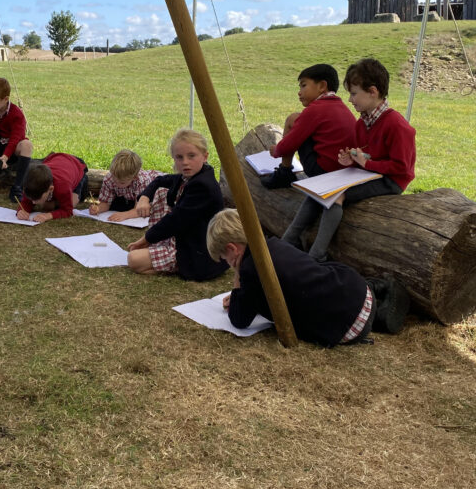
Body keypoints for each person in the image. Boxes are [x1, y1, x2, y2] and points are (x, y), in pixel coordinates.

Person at [207, 209, 410, 344]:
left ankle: (380, 316)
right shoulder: (273, 244)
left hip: (346, 330)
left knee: (326, 305)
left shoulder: (250, 271)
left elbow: (239, 319)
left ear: (232, 249)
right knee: (321, 272)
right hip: (356, 287)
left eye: (224, 257)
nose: (227, 263)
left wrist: (237, 282)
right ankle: (378, 291)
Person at [282, 57, 416, 261]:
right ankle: (288, 240)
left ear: (373, 92)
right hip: (368, 173)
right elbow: (364, 152)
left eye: (354, 94)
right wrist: (351, 159)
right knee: (320, 188)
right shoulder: (362, 124)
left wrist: (366, 163)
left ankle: (317, 255)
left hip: (391, 180)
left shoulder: (397, 125)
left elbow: (402, 167)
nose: (351, 100)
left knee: (336, 195)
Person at [127, 129, 228, 281]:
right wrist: (144, 198)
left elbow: (175, 221)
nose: (185, 162)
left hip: (199, 255)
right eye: (179, 157)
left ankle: (176, 267)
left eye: (191, 156)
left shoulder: (203, 187)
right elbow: (159, 181)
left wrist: (146, 240)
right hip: (185, 240)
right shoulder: (191, 176)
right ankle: (163, 258)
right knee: (161, 191)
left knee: (133, 259)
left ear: (205, 156)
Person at [261, 63, 355, 189]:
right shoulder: (341, 107)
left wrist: (277, 150)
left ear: (322, 86)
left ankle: (284, 173)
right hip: (346, 171)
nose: (299, 93)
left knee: (292, 119)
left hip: (322, 172)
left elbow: (291, 142)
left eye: (304, 85)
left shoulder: (315, 110)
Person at [90, 149, 163, 221]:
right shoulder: (109, 178)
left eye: (122, 182)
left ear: (134, 177)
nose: (116, 183)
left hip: (161, 186)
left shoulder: (142, 181)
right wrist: (98, 208)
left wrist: (125, 215)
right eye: (114, 179)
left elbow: (140, 208)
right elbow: (106, 203)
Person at [16, 152, 88, 223]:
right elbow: (25, 202)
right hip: (55, 159)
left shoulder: (63, 187)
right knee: (47, 205)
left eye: (37, 198)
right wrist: (21, 211)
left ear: (51, 189)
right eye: (31, 198)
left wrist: (49, 215)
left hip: (76, 164)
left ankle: (84, 179)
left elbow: (68, 210)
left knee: (72, 203)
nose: (33, 202)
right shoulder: (31, 183)